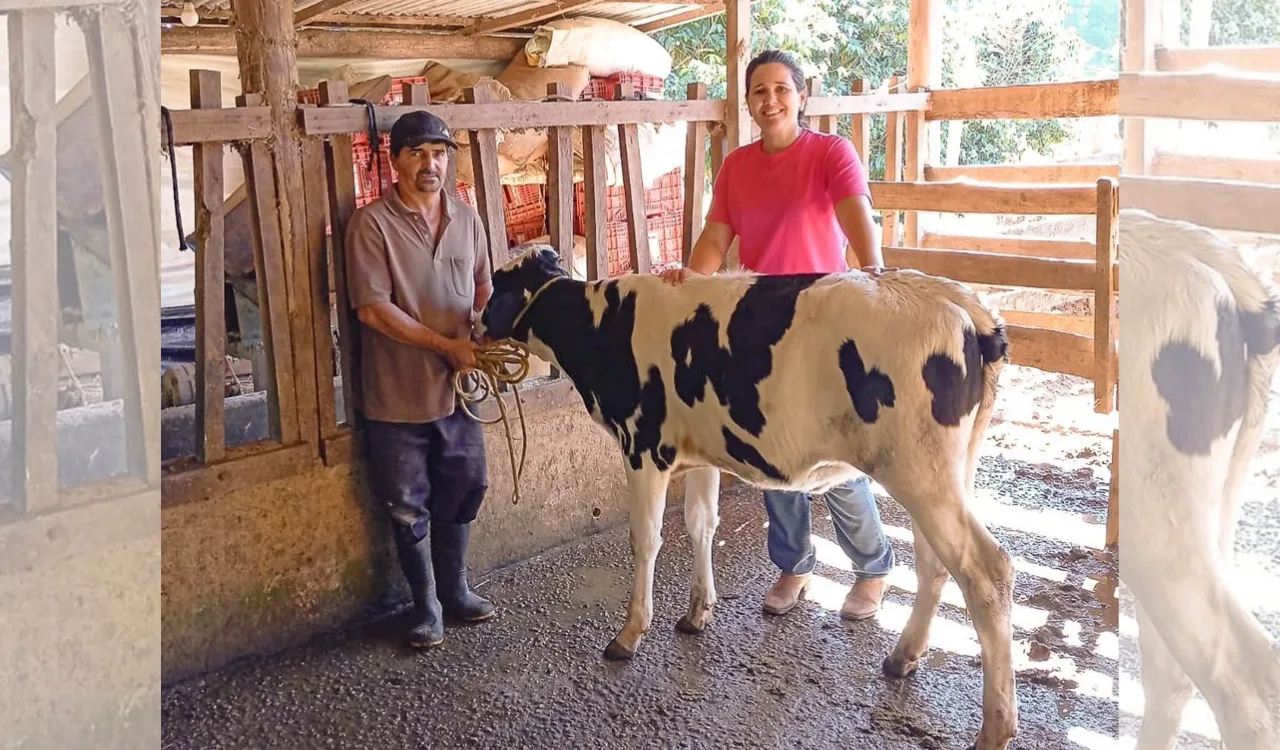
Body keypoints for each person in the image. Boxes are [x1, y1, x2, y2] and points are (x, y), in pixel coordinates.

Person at [661, 50, 896, 620]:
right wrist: (693, 281)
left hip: (822, 324)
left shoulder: (830, 154)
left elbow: (856, 215)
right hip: (758, 326)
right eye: (759, 92)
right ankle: (794, 565)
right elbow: (717, 236)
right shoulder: (738, 166)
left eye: (781, 90)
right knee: (768, 449)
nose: (770, 101)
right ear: (748, 101)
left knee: (833, 452)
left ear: (801, 95)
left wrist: (874, 271)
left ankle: (872, 568)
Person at [345, 110, 496, 649]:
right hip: (398, 392)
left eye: (439, 153)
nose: (430, 164)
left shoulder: (468, 219)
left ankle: (455, 590)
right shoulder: (371, 225)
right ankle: (425, 605)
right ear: (395, 160)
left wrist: (487, 328)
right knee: (408, 502)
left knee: (466, 485)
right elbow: (373, 310)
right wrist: (445, 346)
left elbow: (483, 286)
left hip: (460, 392)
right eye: (417, 153)